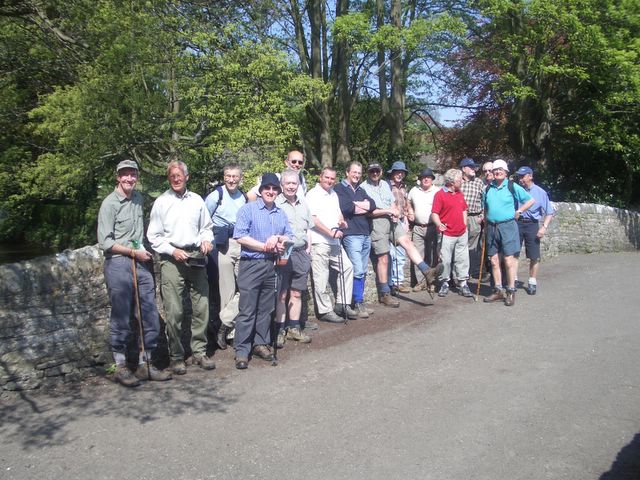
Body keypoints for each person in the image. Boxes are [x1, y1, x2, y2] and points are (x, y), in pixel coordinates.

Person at [97, 159, 172, 387]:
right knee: (121, 315)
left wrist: (140, 251)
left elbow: (138, 234)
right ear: (118, 177)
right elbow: (105, 242)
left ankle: (144, 364)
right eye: (125, 174)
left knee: (149, 313)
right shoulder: (109, 204)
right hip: (118, 262)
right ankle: (120, 367)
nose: (129, 178)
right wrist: (132, 251)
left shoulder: (138, 199)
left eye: (133, 174)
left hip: (139, 262)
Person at [147, 160, 215, 375]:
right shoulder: (161, 202)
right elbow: (153, 236)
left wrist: (206, 240)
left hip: (195, 256)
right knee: (174, 311)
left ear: (187, 177)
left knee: (202, 306)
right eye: (172, 176)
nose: (176, 179)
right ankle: (176, 356)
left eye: (179, 175)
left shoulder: (197, 200)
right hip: (172, 259)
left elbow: (206, 227)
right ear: (168, 178)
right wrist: (172, 250)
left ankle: (199, 352)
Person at [233, 173, 293, 369]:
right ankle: (242, 351)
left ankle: (260, 343)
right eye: (267, 188)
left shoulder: (281, 213)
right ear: (260, 190)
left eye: (274, 188)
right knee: (247, 310)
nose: (271, 191)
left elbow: (289, 236)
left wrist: (279, 239)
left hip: (271, 266)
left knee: (266, 310)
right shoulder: (247, 209)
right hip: (251, 264)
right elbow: (240, 236)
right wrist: (264, 246)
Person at [361, 162, 443, 307]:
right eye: (372, 171)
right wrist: (389, 211)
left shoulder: (385, 184)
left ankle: (426, 271)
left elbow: (392, 203)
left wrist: (396, 212)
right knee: (383, 258)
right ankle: (384, 293)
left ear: (381, 172)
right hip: (377, 223)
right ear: (368, 173)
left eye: (377, 171)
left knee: (407, 242)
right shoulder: (363, 187)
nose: (375, 173)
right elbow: (368, 211)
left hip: (392, 220)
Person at [204, 163, 247, 350]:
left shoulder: (243, 197)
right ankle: (230, 334)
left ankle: (223, 324)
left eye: (235, 176)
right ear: (224, 177)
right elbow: (204, 219)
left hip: (241, 243)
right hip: (222, 245)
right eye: (228, 176)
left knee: (246, 287)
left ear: (240, 178)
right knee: (227, 290)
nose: (231, 180)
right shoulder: (216, 196)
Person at [306, 167, 357, 322]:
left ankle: (342, 304)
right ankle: (325, 311)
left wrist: (341, 221)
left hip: (334, 241)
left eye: (332, 178)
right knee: (321, 277)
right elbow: (312, 219)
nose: (329, 181)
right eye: (327, 177)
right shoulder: (312, 194)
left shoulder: (333, 194)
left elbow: (338, 212)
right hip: (319, 241)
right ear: (320, 177)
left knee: (347, 267)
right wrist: (330, 232)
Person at [482, 159, 535, 306]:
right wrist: (485, 225)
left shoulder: (512, 186)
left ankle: (511, 291)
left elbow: (530, 200)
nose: (498, 172)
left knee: (508, 260)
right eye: (495, 170)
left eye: (501, 169)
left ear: (506, 172)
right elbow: (486, 208)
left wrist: (519, 211)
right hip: (492, 227)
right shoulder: (487, 188)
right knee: (493, 260)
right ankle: (498, 290)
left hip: (508, 226)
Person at [274, 170, 313, 346]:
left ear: (298, 185)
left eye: (294, 183)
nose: (291, 186)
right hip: (284, 253)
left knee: (297, 293)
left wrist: (308, 249)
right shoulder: (276, 203)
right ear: (282, 185)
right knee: (281, 295)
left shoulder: (303, 204)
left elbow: (308, 229)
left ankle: (294, 328)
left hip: (301, 253)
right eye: (288, 183)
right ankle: (280, 329)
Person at [334, 161, 377, 318]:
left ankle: (359, 301)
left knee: (363, 270)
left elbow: (373, 205)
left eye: (359, 173)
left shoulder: (360, 189)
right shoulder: (339, 188)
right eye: (354, 172)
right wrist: (362, 206)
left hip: (365, 233)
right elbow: (346, 207)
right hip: (351, 234)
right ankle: (356, 303)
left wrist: (357, 206)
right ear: (347, 172)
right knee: (357, 269)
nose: (357, 175)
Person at [431, 169, 473, 298]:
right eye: (459, 180)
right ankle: (445, 283)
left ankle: (463, 283)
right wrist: (439, 224)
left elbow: (464, 209)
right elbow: (434, 213)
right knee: (445, 260)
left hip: (461, 233)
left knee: (463, 259)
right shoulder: (440, 195)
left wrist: (464, 224)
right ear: (452, 182)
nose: (462, 182)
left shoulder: (459, 193)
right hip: (447, 234)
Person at [515, 166, 555, 295]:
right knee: (513, 252)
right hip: (517, 223)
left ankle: (532, 281)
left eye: (523, 176)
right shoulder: (517, 190)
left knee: (534, 255)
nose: (520, 179)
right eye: (519, 176)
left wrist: (544, 227)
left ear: (530, 176)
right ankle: (513, 279)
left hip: (532, 225)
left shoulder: (540, 192)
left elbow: (549, 212)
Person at [407, 168, 440, 292]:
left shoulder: (437, 191)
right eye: (423, 177)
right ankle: (420, 282)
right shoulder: (414, 190)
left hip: (433, 227)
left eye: (428, 177)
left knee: (433, 255)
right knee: (418, 255)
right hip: (418, 227)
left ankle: (432, 282)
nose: (426, 179)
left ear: (432, 179)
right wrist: (410, 210)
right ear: (420, 179)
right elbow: (408, 202)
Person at [387, 162, 410, 294]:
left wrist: (406, 219)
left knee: (401, 253)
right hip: (390, 221)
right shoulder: (387, 186)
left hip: (401, 221)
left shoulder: (403, 187)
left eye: (402, 172)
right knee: (391, 253)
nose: (400, 174)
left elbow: (405, 205)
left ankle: (398, 282)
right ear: (392, 173)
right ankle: (390, 283)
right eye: (397, 172)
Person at [459, 158, 485, 278]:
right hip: (459, 218)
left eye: (474, 167)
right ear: (464, 169)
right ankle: (458, 274)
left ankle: (467, 273)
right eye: (471, 167)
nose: (474, 169)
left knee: (472, 247)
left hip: (474, 218)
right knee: (459, 245)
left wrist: (481, 216)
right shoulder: (457, 181)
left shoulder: (479, 182)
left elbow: (485, 200)